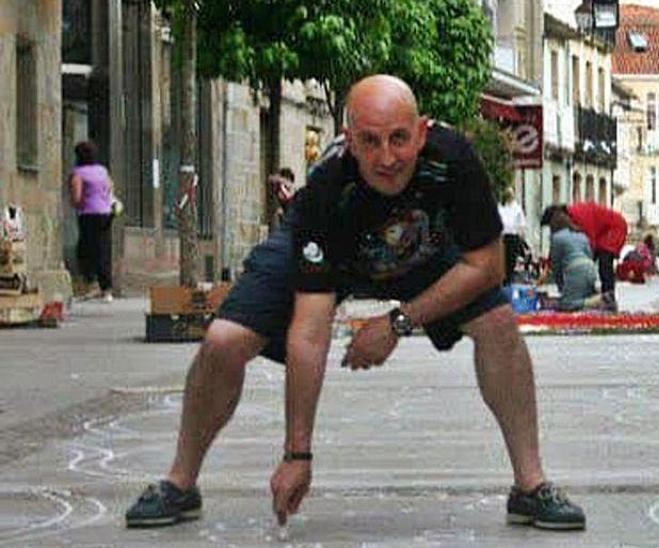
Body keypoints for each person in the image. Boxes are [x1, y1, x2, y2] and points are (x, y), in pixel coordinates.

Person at [124, 75, 585, 531]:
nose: (387, 157)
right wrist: (297, 454)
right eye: (370, 141)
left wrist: (398, 322)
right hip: (337, 250)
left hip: (423, 246)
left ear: (422, 131)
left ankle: (530, 484)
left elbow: (487, 267)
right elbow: (309, 328)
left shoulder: (453, 160)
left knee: (500, 326)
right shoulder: (328, 188)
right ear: (349, 141)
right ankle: (180, 482)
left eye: (400, 139)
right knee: (224, 340)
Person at [540, 202, 627, 310]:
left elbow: (590, 241)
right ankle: (600, 297)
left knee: (605, 264)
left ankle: (608, 297)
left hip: (614, 227)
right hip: (603, 231)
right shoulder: (570, 218)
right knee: (599, 265)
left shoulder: (579, 215)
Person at [68, 140, 115, 302]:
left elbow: (76, 196)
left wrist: (78, 205)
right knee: (103, 248)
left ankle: (89, 282)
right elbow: (109, 187)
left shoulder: (78, 173)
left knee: (86, 249)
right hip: (106, 213)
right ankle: (106, 288)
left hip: (88, 214)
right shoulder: (102, 171)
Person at [542, 209, 600, 310]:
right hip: (590, 269)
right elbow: (590, 255)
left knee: (566, 304)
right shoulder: (582, 235)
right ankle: (594, 298)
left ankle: (600, 300)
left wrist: (561, 286)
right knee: (582, 296)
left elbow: (556, 266)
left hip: (575, 270)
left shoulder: (556, 238)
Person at [497, 188, 528, 284]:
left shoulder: (517, 208)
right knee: (502, 260)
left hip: (513, 236)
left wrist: (522, 238)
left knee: (511, 261)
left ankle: (508, 279)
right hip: (502, 237)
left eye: (510, 194)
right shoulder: (501, 207)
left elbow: (522, 224)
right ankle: (503, 279)